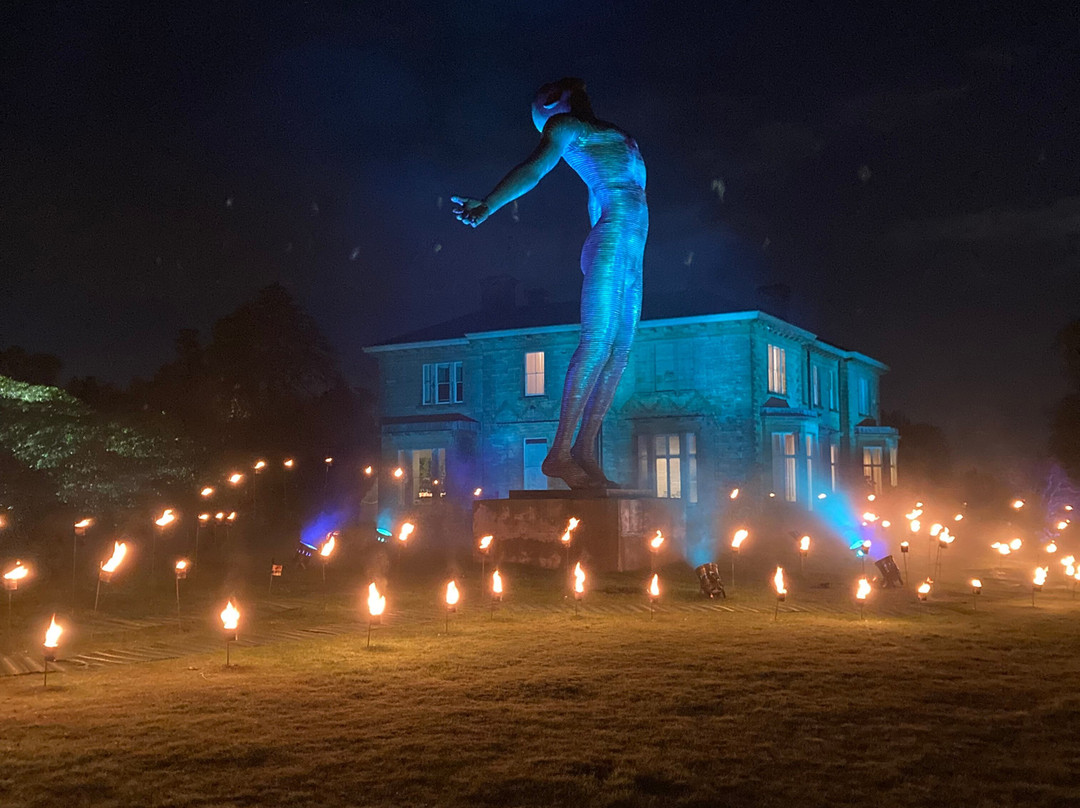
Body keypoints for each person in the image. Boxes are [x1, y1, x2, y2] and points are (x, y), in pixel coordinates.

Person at [451, 78, 648, 489]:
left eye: (537, 111)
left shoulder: (596, 131)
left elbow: (595, 195)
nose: (538, 124)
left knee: (620, 351)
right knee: (597, 343)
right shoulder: (567, 130)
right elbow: (534, 170)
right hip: (613, 239)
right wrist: (489, 203)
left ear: (553, 101)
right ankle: (559, 453)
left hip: (628, 249)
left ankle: (584, 451)